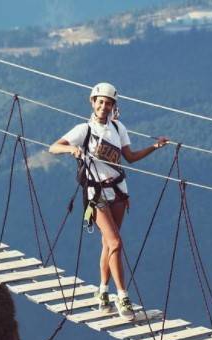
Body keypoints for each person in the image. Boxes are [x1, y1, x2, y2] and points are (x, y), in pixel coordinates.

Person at [49, 82, 169, 320]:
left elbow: (130, 157)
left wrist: (155, 147)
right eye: (100, 102)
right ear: (93, 102)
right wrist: (72, 149)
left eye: (109, 103)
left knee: (108, 244)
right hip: (97, 194)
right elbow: (54, 147)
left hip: (119, 191)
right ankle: (123, 297)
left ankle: (103, 293)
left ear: (114, 106)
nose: (104, 107)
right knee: (115, 243)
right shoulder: (84, 130)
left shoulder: (117, 127)